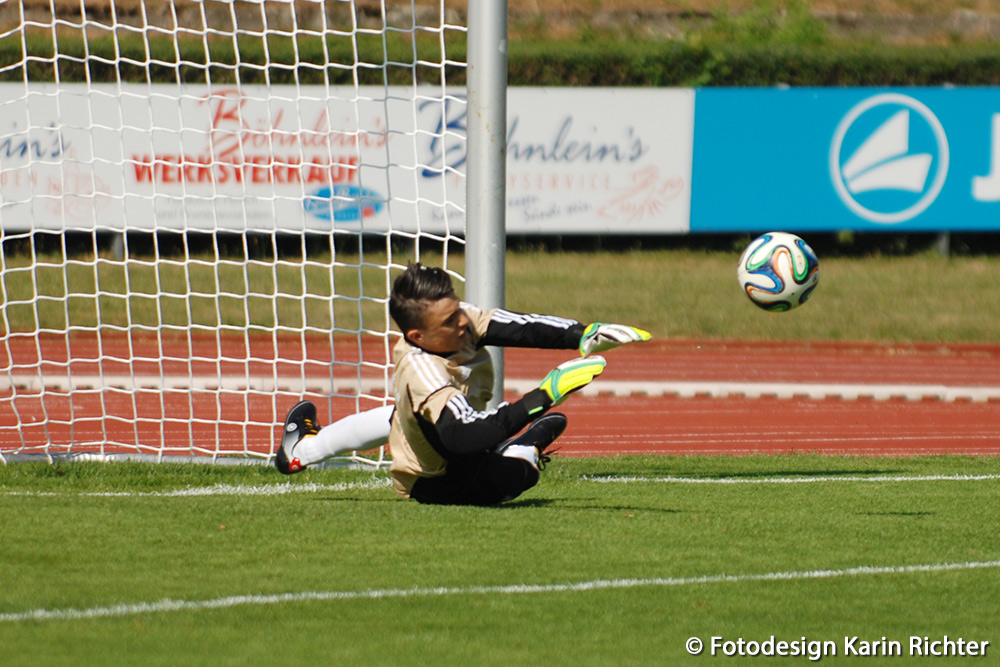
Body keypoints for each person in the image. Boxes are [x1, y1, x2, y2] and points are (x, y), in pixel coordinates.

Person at [276, 262, 650, 506]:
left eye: (457, 309)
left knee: (404, 417)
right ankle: (522, 450)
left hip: (443, 428)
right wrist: (545, 394)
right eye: (448, 320)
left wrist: (583, 334)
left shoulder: (457, 319)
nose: (461, 322)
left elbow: (520, 326)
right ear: (418, 336)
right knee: (517, 477)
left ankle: (301, 450)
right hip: (432, 479)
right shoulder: (421, 370)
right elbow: (462, 438)